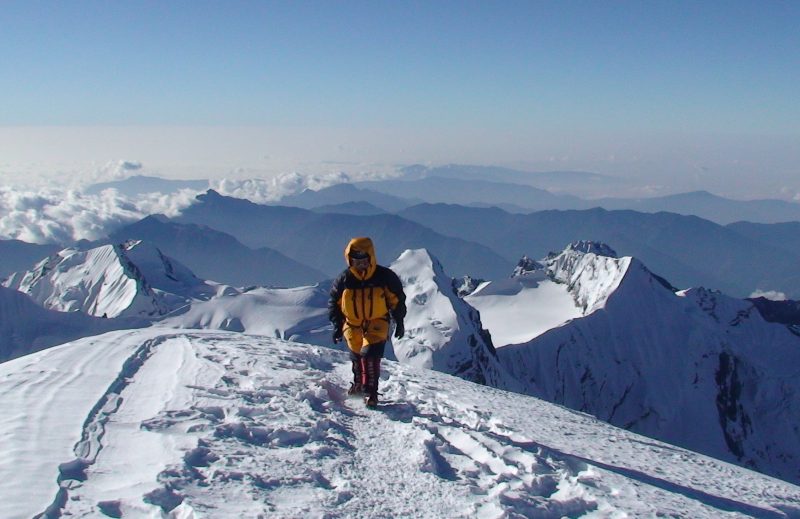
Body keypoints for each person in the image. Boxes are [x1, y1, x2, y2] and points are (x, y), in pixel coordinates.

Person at [328, 237, 406, 407]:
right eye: (356, 261)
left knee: (370, 356)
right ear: (350, 260)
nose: (361, 265)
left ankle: (370, 392)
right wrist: (336, 325)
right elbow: (334, 303)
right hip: (352, 324)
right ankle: (358, 384)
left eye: (364, 260)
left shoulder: (384, 277)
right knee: (357, 357)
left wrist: (399, 321)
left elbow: (397, 300)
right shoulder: (344, 280)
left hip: (377, 322)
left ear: (371, 258)